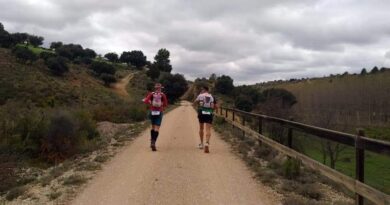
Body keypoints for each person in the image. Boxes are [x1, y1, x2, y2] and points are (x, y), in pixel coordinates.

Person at [143, 83, 168, 151]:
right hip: (159, 112)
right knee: (157, 128)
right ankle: (154, 142)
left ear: (155, 88)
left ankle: (151, 141)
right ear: (160, 88)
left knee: (153, 127)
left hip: (152, 111)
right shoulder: (163, 95)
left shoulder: (151, 94)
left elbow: (145, 101)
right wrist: (162, 106)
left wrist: (150, 103)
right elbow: (165, 104)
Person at [194, 86, 216, 153]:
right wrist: (211, 111)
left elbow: (195, 102)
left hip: (201, 111)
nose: (201, 91)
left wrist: (195, 104)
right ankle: (207, 143)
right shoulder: (211, 97)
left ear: (204, 90)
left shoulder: (200, 95)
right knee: (208, 129)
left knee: (201, 128)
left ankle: (201, 144)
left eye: (202, 89)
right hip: (209, 112)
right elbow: (212, 106)